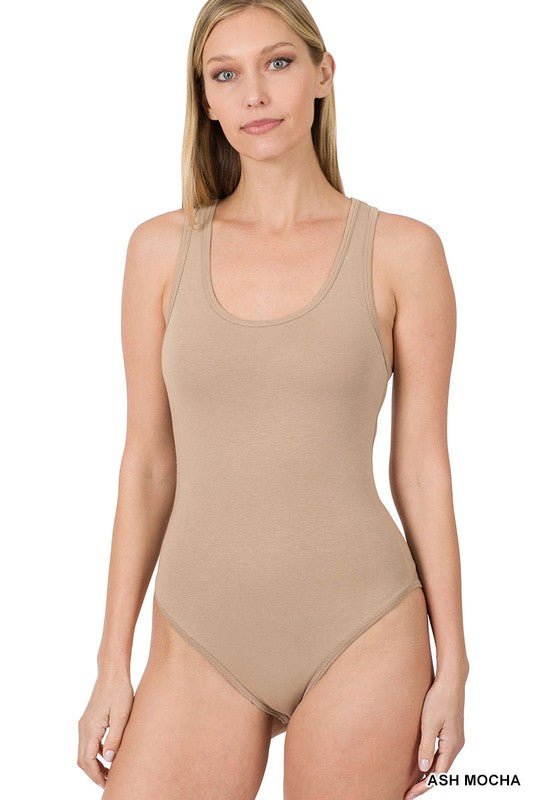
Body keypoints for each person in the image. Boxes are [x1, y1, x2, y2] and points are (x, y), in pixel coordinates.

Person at [77, 1, 469, 798]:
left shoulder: (403, 252)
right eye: (225, 74)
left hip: (362, 625)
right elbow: (147, 463)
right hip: (198, 631)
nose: (254, 93)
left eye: (278, 63)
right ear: (206, 99)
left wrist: (454, 664)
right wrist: (111, 662)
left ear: (323, 73)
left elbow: (421, 468)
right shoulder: (159, 251)